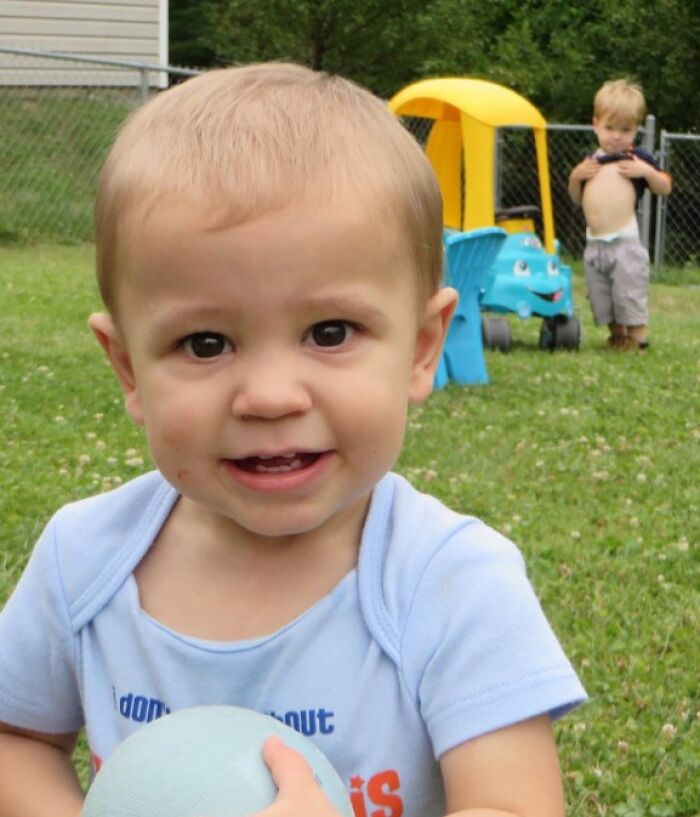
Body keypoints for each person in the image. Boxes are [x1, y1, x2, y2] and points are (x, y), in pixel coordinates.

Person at [0, 63, 586, 817]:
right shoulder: (84, 560)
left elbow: (514, 805)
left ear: (421, 347)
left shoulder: (452, 584)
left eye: (330, 332)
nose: (271, 396)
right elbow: (15, 737)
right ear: (129, 369)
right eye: (205, 343)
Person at [568, 79, 672, 350]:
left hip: (624, 243)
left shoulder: (636, 158)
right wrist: (575, 177)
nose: (616, 136)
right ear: (596, 124)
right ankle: (617, 336)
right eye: (610, 128)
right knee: (602, 297)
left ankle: (637, 338)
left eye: (625, 130)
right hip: (594, 244)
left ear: (636, 129)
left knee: (629, 292)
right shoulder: (590, 162)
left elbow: (665, 187)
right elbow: (576, 198)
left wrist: (647, 172)